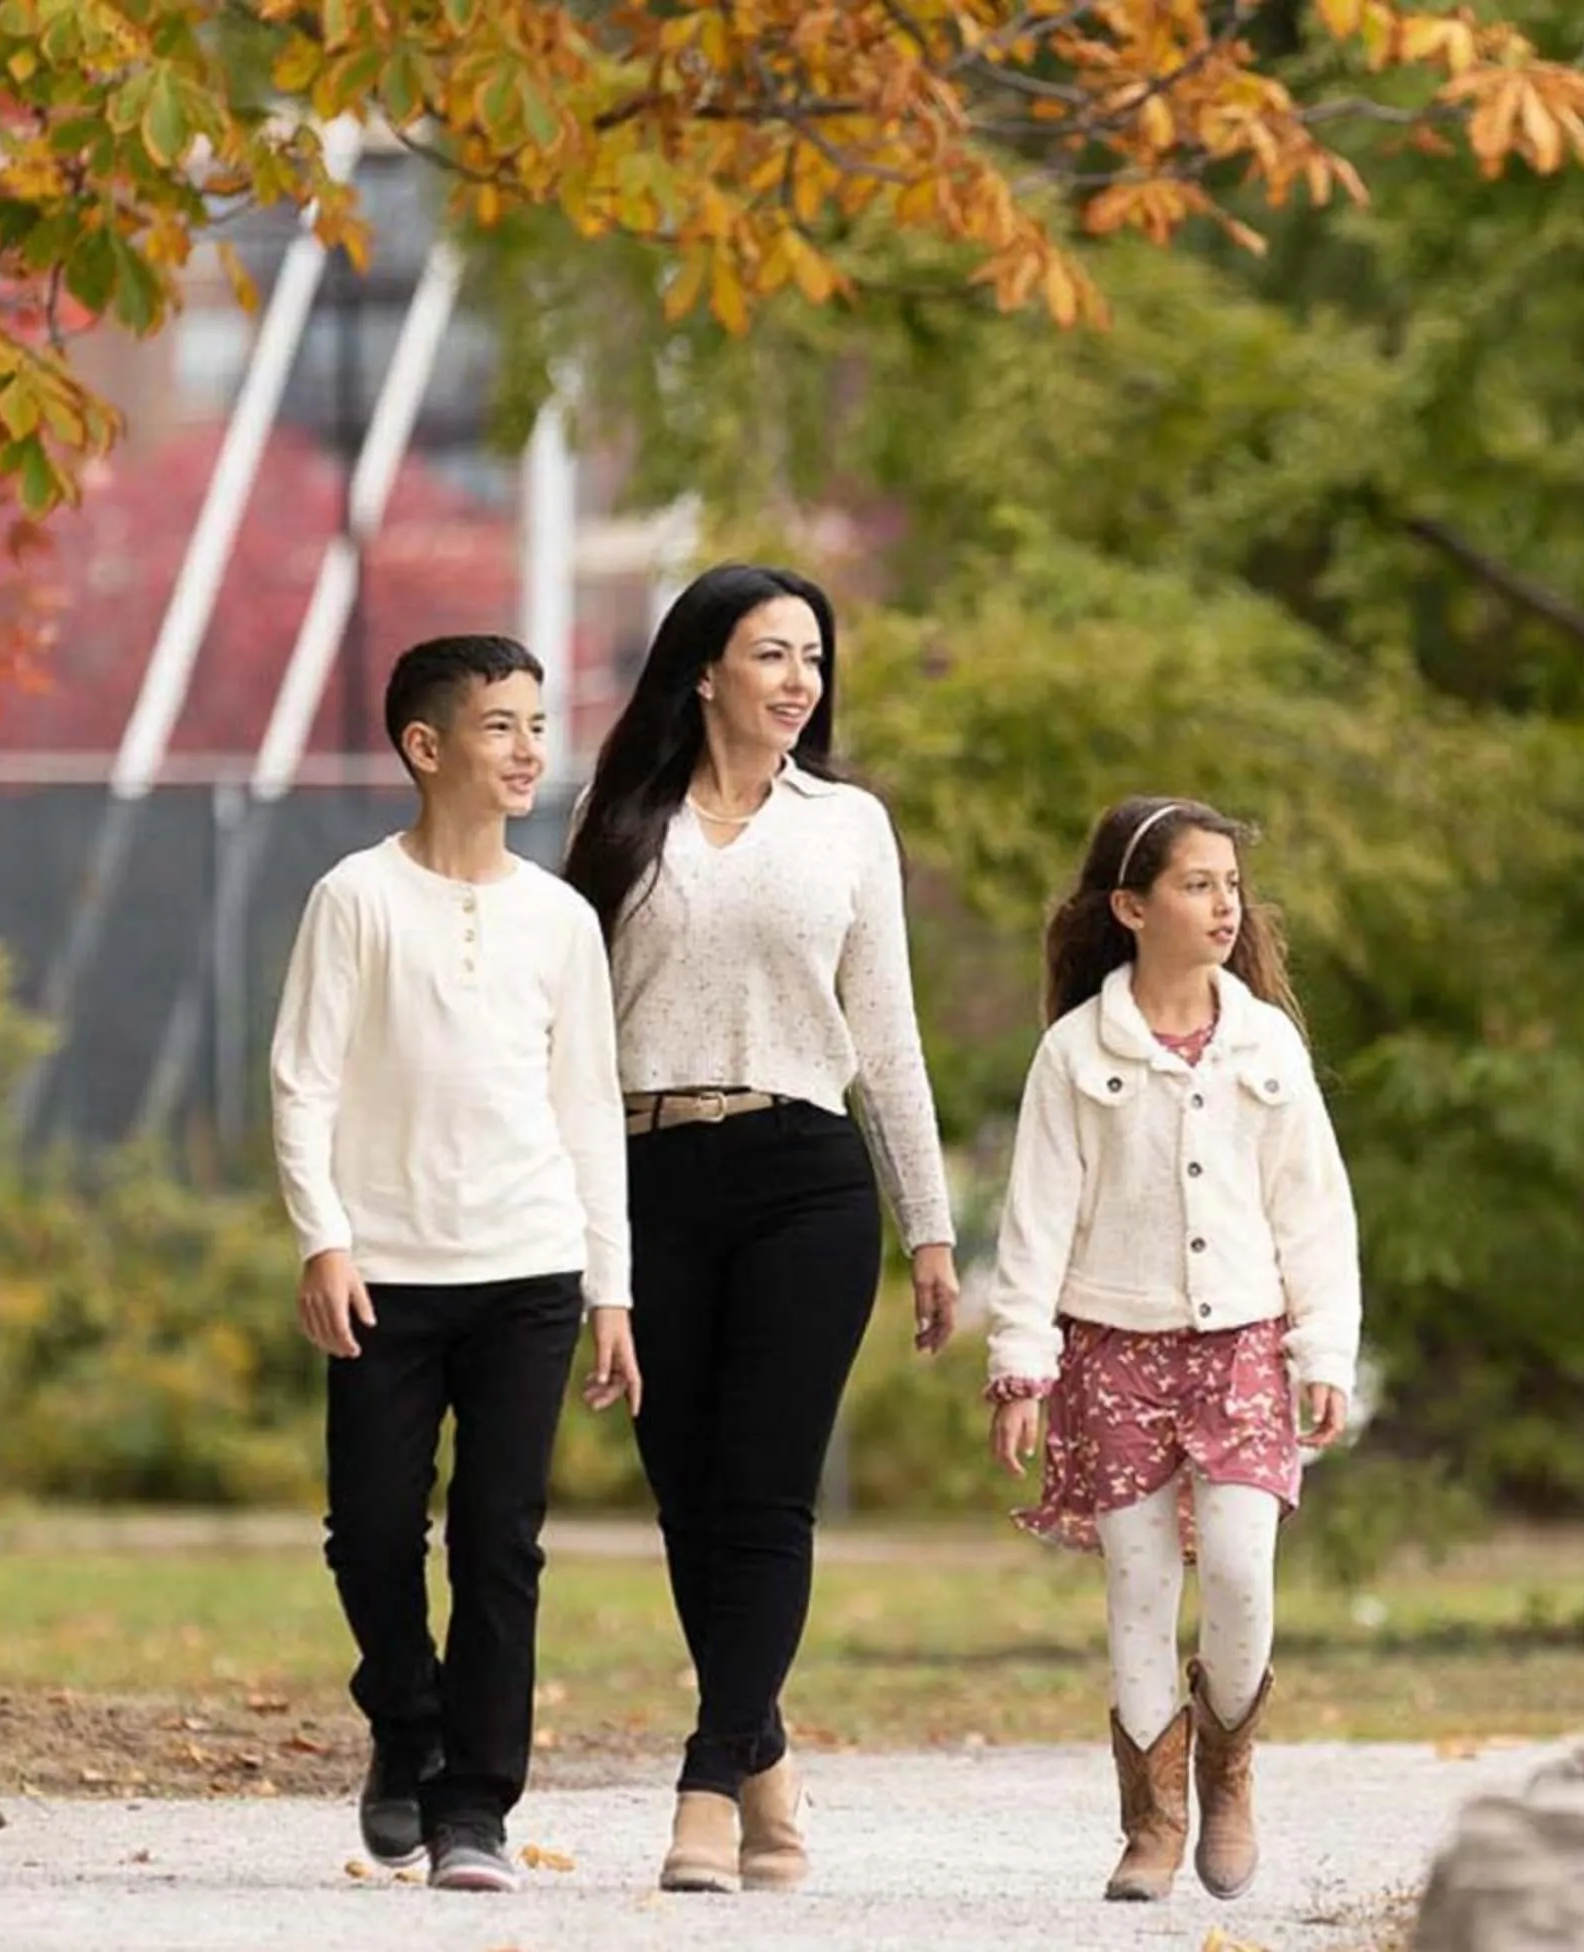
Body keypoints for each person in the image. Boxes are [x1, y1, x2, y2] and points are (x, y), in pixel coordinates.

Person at [561, 563, 961, 1896]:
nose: (800, 680)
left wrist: (932, 1233)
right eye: (773, 654)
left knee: (766, 1494)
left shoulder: (848, 827)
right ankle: (767, 1760)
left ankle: (705, 1791)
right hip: (648, 1175)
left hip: (805, 1179)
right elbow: (565, 1046)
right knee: (689, 1499)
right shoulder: (620, 825)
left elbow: (889, 1041)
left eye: (813, 658)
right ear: (703, 671)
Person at [269, 634, 642, 1894]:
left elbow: (588, 1105)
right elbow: (302, 1079)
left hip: (530, 1267)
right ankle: (407, 1725)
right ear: (426, 746)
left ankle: (473, 1801)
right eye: (501, 725)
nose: (530, 746)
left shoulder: (562, 918)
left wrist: (611, 1287)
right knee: (370, 1533)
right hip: (383, 1271)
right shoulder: (355, 900)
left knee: (501, 1538)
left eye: (538, 722)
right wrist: (322, 1233)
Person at [979, 794, 1362, 1904]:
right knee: (1140, 1587)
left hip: (1242, 1344)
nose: (1224, 904)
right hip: (1112, 1350)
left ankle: (1229, 1765)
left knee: (1241, 1568)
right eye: (1199, 884)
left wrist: (1323, 1346)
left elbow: (1314, 1209)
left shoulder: (1266, 1044)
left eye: (1232, 885)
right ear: (1132, 907)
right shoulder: (1073, 1053)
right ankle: (1151, 1819)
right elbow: (1037, 1217)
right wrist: (1021, 1366)